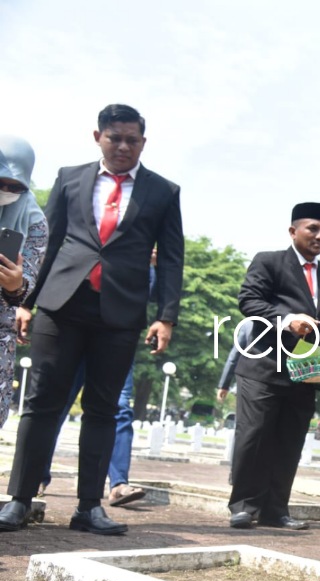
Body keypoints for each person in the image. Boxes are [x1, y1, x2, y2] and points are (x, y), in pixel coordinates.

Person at [0, 105, 183, 535]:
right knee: (42, 404)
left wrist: (166, 316)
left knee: (102, 410)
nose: (122, 146)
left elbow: (172, 258)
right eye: (114, 137)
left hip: (120, 313)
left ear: (143, 142)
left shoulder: (163, 191)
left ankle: (88, 507)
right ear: (97, 136)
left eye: (131, 140)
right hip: (61, 305)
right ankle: (19, 500)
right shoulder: (70, 177)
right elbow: (50, 241)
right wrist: (25, 300)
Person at [227, 202, 320, 531]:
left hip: (306, 372)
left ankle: (276, 509)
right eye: (312, 229)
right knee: (253, 436)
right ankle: (244, 507)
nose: (319, 236)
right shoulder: (269, 261)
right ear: (293, 231)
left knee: (290, 440)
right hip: (262, 365)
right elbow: (248, 300)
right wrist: (287, 320)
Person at [32, 250, 159, 504]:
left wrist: (147, 263)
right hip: (73, 329)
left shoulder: (139, 245)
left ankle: (119, 483)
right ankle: (36, 476)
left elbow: (146, 294)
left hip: (114, 337)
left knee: (120, 408)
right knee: (56, 403)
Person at [0, 136, 48, 426]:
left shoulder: (35, 222)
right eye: (1, 182)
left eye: (15, 187)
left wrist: (15, 285)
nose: (7, 191)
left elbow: (24, 286)